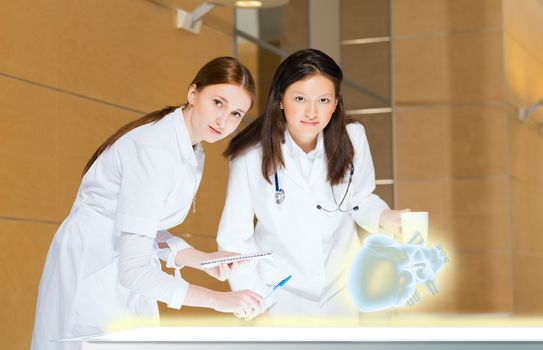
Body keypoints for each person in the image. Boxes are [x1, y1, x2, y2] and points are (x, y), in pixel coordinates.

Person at [32, 56, 264, 350]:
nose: (224, 120)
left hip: (116, 265)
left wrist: (200, 259)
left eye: (236, 114)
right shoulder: (156, 151)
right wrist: (219, 300)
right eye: (218, 103)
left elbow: (144, 226)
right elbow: (134, 270)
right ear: (193, 93)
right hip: (93, 268)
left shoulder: (191, 148)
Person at [217, 48, 408, 320]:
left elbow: (360, 198)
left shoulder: (352, 138)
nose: (311, 111)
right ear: (280, 100)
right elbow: (234, 238)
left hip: (340, 289)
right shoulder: (250, 156)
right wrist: (257, 307)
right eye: (300, 98)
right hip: (279, 294)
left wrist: (386, 216)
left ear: (336, 103)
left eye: (323, 100)